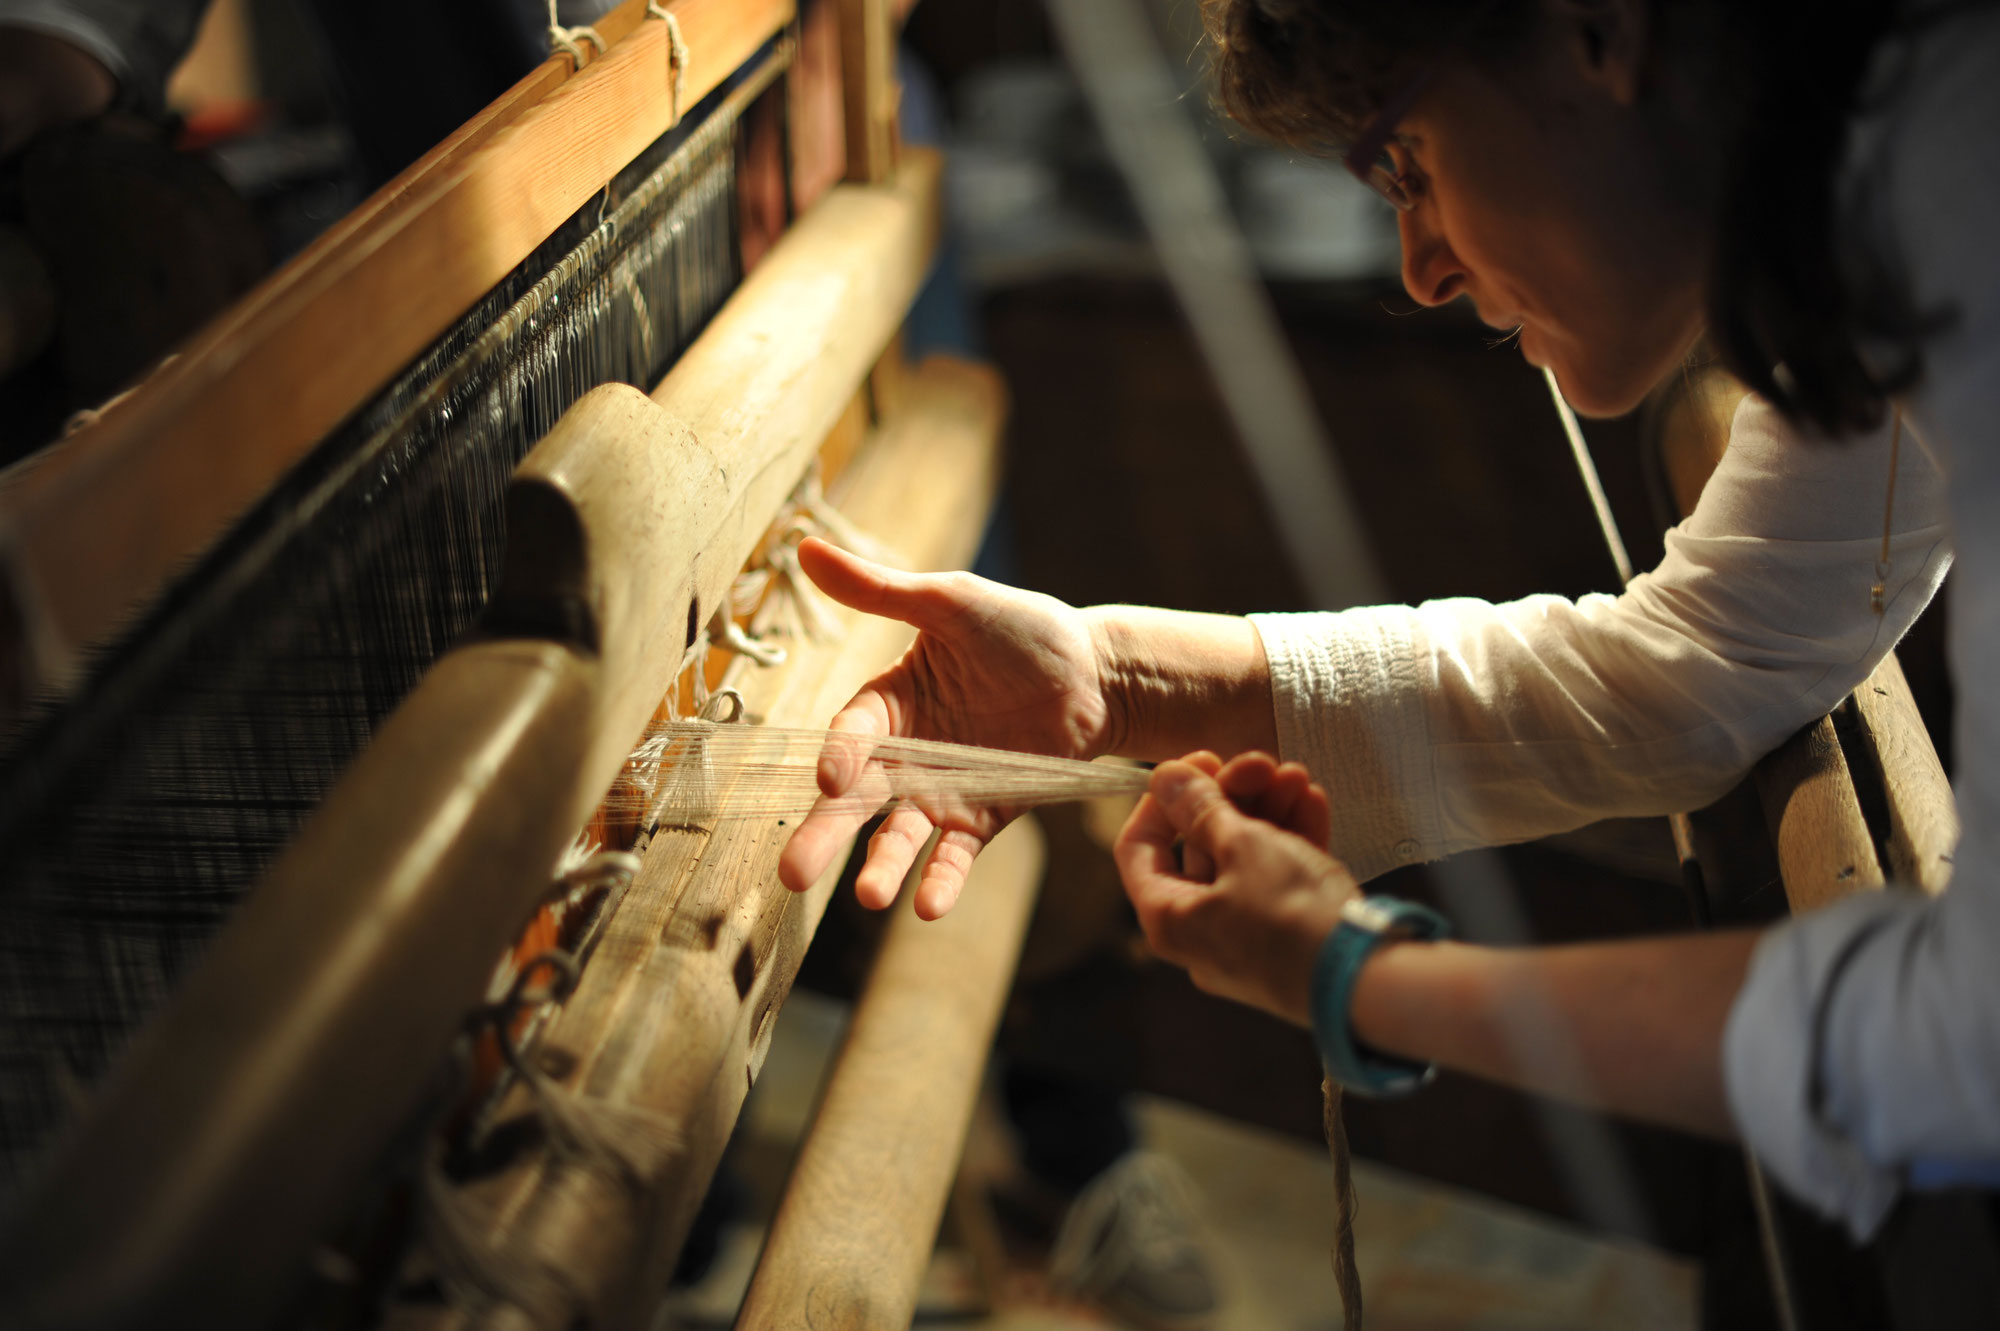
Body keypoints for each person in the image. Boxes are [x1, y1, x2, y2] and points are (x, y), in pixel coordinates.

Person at [777, 0, 2000, 1246]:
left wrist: (1358, 978)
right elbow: (1704, 663)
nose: (1418, 268)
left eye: (1409, 166)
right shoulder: (1879, 196)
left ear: (1599, 29)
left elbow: (1970, 1039)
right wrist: (1116, 678)